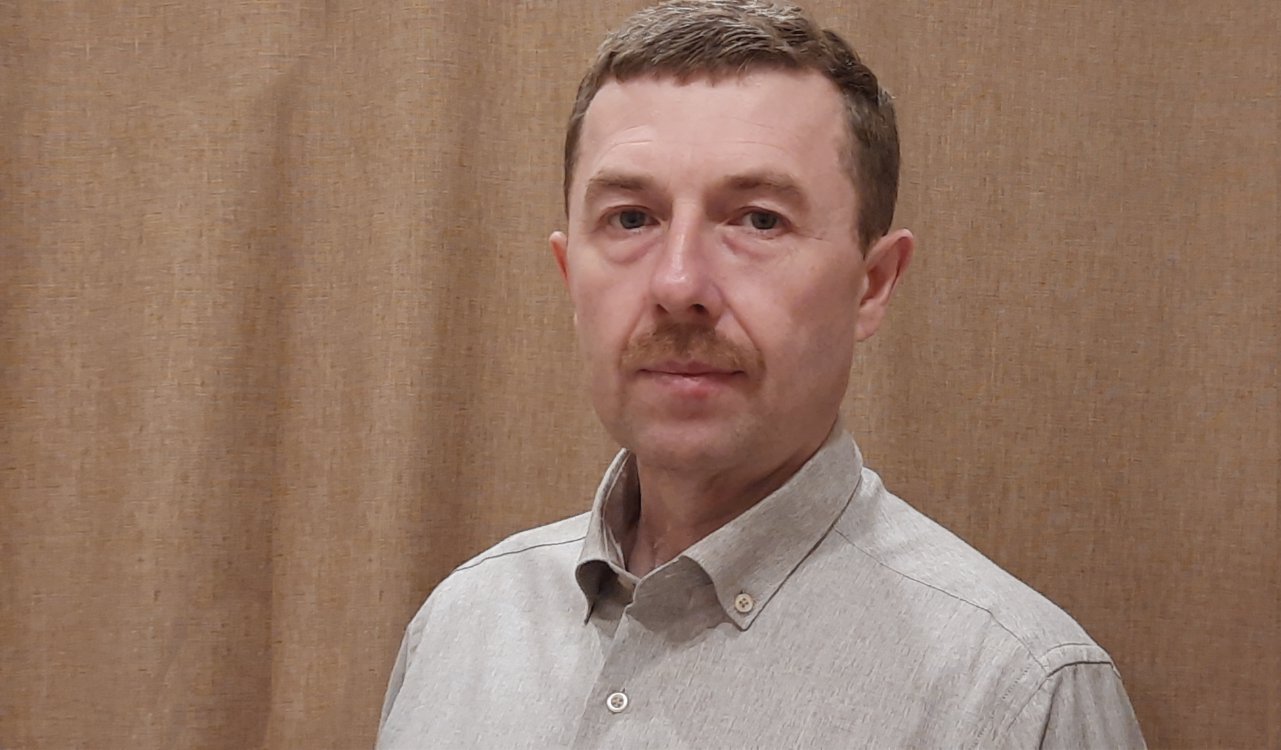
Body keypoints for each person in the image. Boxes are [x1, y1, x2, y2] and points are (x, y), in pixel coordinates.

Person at [376, 1, 1145, 747]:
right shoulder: (459, 629)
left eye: (758, 219)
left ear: (872, 284)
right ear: (569, 273)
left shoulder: (1017, 696)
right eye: (631, 218)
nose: (679, 285)